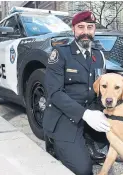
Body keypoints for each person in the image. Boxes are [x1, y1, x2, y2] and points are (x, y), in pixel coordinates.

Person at [43, 10, 110, 175]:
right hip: (65, 117)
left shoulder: (99, 56)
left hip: (91, 115)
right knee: (84, 170)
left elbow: (102, 89)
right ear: (73, 30)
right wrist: (85, 114)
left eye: (90, 27)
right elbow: (55, 93)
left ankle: (86, 140)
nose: (85, 32)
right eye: (81, 27)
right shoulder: (60, 54)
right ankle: (54, 142)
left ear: (94, 30)